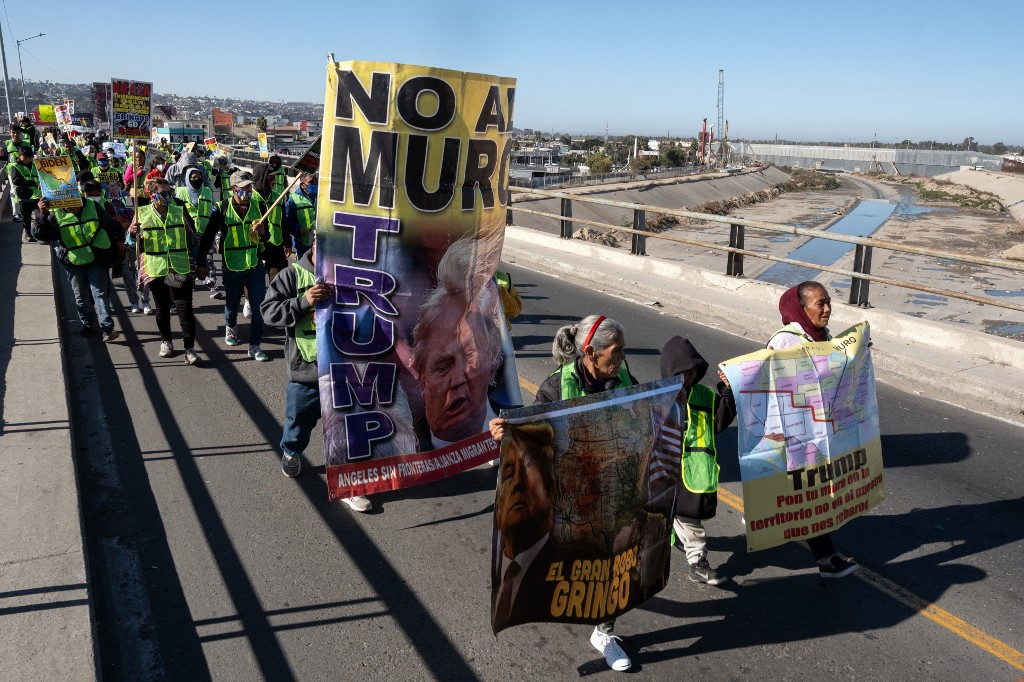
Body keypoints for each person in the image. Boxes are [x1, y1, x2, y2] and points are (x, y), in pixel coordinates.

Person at [489, 314, 636, 672]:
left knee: (614, 559)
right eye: (615, 352)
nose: (621, 359)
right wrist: (507, 436)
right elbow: (536, 434)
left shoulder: (625, 377)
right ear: (590, 353)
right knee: (565, 564)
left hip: (613, 487)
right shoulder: (555, 388)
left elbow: (642, 416)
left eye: (622, 351)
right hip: (570, 492)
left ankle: (604, 632)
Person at [261, 234, 372, 512]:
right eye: (319, 241)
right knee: (298, 420)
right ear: (311, 242)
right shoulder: (291, 275)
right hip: (306, 373)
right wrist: (304, 301)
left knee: (344, 429)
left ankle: (347, 483)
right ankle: (291, 450)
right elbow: (268, 312)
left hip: (343, 369)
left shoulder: (350, 273)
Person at [767, 281, 860, 578]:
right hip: (797, 433)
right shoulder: (785, 341)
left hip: (821, 431)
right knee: (811, 494)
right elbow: (772, 385)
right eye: (820, 303)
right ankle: (826, 558)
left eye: (828, 302)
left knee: (816, 493)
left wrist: (855, 357)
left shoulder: (825, 337)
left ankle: (779, 521)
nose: (827, 309)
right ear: (801, 308)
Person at [410, 239, 506, 447]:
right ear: (420, 375)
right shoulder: (404, 440)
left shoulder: (509, 426)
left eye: (470, 356)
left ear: (493, 361)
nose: (458, 379)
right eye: (443, 366)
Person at [659, 336, 736, 586]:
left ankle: (694, 560)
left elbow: (719, 421)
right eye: (682, 372)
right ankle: (696, 561)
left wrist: (728, 391)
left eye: (692, 371)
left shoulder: (703, 395)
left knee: (687, 517)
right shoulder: (659, 397)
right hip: (664, 470)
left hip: (694, 472)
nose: (689, 377)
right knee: (676, 518)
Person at [195, 170, 270, 361]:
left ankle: (255, 345)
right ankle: (231, 327)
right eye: (245, 188)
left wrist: (262, 232)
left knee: (258, 307)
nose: (249, 191)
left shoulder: (259, 205)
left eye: (250, 187)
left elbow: (266, 236)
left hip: (254, 263)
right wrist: (201, 263)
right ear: (234, 189)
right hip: (232, 265)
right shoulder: (221, 208)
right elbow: (208, 237)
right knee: (232, 303)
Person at [32, 195, 124, 342]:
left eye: (76, 204)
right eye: (69, 206)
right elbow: (41, 235)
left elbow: (111, 224)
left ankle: (108, 328)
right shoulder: (55, 213)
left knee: (99, 293)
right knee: (81, 296)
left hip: (96, 257)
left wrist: (119, 239)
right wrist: (41, 214)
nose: (73, 208)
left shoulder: (92, 206)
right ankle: (88, 325)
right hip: (72, 260)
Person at [129, 177, 201, 364]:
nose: (168, 196)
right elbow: (131, 243)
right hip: (156, 266)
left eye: (170, 193)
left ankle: (189, 349)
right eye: (163, 193)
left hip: (179, 264)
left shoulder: (179, 210)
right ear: (152, 195)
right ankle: (166, 341)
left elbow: (192, 237)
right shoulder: (141, 213)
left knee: (184, 308)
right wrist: (132, 233)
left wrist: (201, 262)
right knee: (161, 308)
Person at [8, 146, 41, 242]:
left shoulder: (35, 164)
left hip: (37, 195)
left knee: (40, 215)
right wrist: (33, 183)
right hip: (24, 195)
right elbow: (16, 181)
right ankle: (28, 234)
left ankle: (39, 233)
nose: (26, 160)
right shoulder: (15, 166)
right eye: (24, 158)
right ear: (20, 156)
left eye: (28, 158)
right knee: (26, 217)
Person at [283, 172, 317, 259]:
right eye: (311, 182)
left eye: (316, 182)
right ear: (302, 185)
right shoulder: (293, 200)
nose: (314, 185)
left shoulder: (320, 197)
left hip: (318, 243)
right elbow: (287, 222)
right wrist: (298, 229)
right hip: (302, 244)